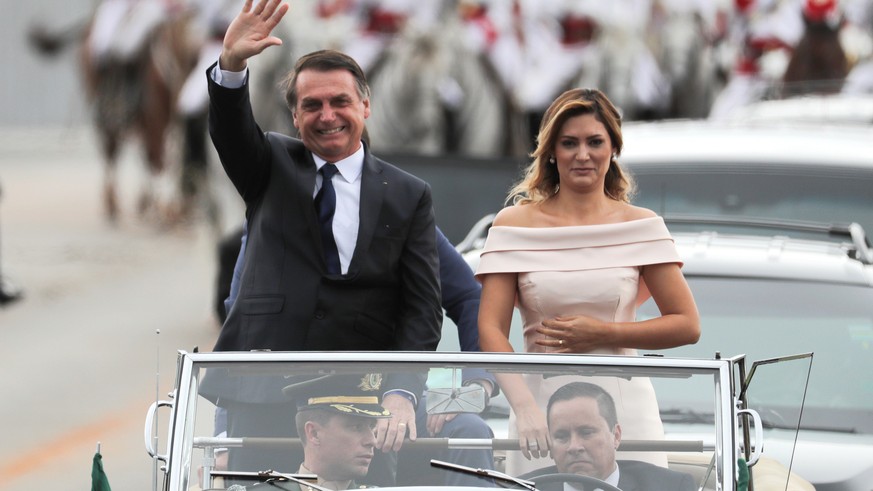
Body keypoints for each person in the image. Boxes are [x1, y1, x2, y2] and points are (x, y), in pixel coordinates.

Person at [202, 0, 442, 483]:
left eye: (340, 102)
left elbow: (422, 308)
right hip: (266, 391)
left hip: (360, 405)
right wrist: (231, 63)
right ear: (294, 116)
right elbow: (230, 132)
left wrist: (401, 391)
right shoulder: (268, 165)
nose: (327, 116)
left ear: (365, 107)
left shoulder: (408, 194)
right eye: (312, 105)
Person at [475, 87, 700, 473]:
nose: (583, 155)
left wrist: (604, 334)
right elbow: (491, 330)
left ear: (613, 148)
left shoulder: (642, 225)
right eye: (569, 143)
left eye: (595, 142)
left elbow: (686, 324)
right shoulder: (513, 224)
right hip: (542, 413)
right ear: (551, 151)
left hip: (627, 408)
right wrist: (526, 409)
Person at [216, 220, 498, 486]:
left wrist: (476, 387)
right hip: (281, 403)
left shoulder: (401, 206)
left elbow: (468, 296)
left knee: (468, 431)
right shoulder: (275, 208)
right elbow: (241, 319)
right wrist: (222, 437)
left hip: (375, 397)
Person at [522, 381, 696, 491]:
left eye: (586, 433)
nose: (574, 446)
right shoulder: (520, 488)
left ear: (616, 436)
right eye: (562, 436)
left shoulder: (670, 487)